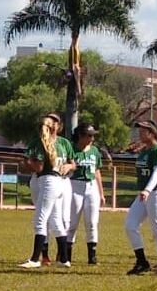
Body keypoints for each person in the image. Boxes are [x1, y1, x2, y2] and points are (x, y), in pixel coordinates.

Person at [18, 113, 75, 269]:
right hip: (58, 181)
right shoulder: (52, 144)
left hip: (49, 180)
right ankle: (64, 259)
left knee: (40, 219)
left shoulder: (44, 143)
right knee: (56, 221)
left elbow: (39, 167)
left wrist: (27, 162)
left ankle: (35, 259)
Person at [125, 120, 157, 277]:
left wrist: (147, 189)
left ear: (152, 133)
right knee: (130, 224)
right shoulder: (145, 150)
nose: (140, 133)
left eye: (144, 131)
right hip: (145, 194)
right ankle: (142, 262)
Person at [66, 122, 105, 265]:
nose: (92, 139)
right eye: (89, 136)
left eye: (93, 136)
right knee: (72, 222)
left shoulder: (94, 150)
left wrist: (101, 193)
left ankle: (92, 257)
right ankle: (66, 255)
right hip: (75, 185)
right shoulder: (71, 149)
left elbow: (97, 171)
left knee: (92, 222)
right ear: (80, 136)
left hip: (91, 186)